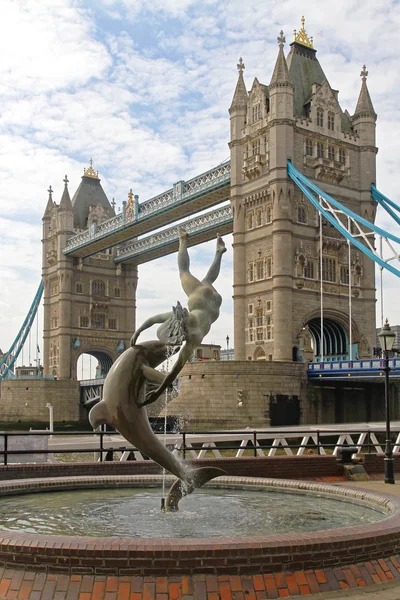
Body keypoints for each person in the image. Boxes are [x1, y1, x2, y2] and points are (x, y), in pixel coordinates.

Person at [131, 229, 226, 406]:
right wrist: (138, 332)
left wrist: (159, 391)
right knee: (188, 273)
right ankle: (184, 240)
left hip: (214, 305)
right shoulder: (183, 320)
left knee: (198, 277)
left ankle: (212, 250)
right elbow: (155, 319)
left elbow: (174, 371)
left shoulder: (193, 338)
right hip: (201, 299)